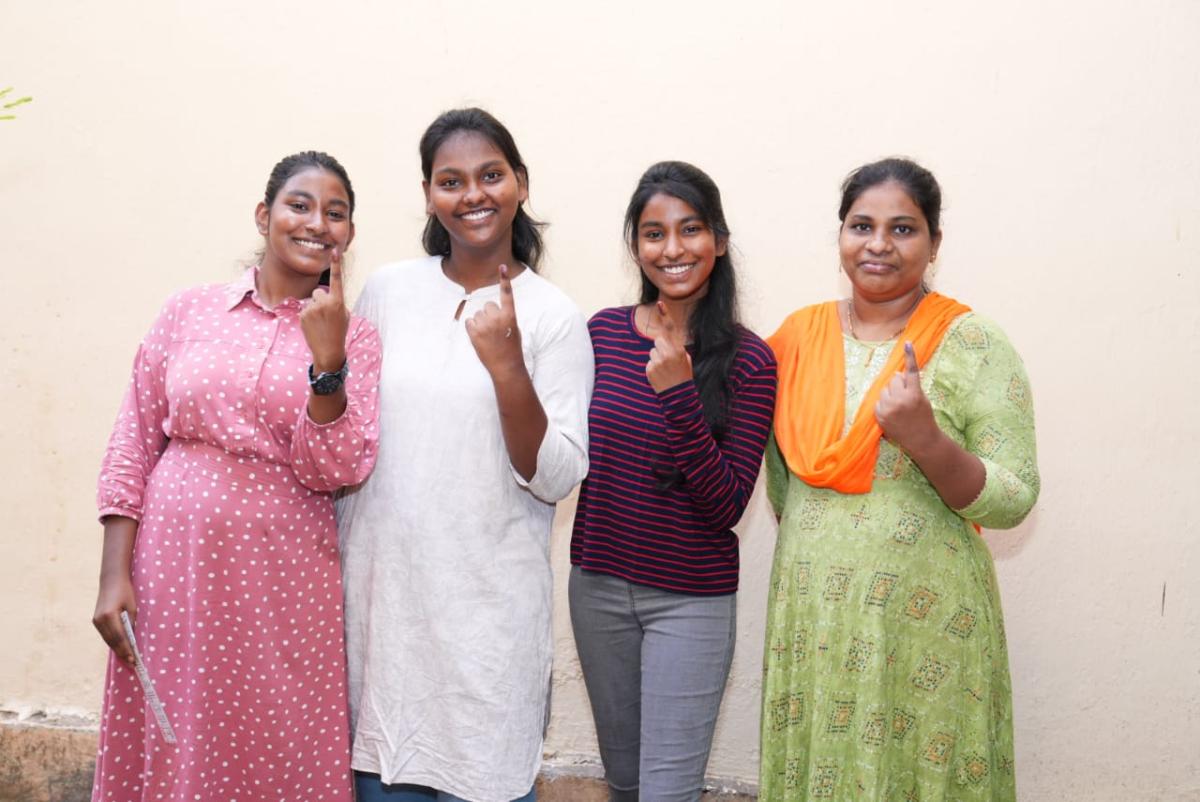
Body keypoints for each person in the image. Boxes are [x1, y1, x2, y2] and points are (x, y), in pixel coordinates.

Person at [90, 151, 381, 802]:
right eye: (299, 205)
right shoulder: (188, 311)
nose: (317, 223)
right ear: (265, 215)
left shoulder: (355, 339)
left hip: (285, 582)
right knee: (174, 736)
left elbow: (334, 467)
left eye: (336, 213)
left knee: (276, 736)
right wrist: (115, 573)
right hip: (172, 572)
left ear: (350, 236)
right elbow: (135, 437)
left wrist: (326, 361)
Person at [759, 158, 1039, 801]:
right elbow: (784, 484)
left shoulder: (973, 342)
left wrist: (925, 438)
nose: (879, 243)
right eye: (862, 225)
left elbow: (1014, 497)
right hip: (816, 623)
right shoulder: (794, 340)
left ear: (935, 244)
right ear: (840, 238)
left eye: (903, 229)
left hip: (927, 628)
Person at [336, 108, 594, 802]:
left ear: (520, 185)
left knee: (484, 776)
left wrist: (508, 366)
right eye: (451, 180)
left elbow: (557, 476)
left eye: (490, 175)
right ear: (428, 194)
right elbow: (345, 435)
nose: (473, 194)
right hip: (386, 619)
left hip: (486, 622)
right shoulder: (388, 291)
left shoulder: (552, 315)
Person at [569, 161, 778, 801]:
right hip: (597, 588)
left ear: (717, 239)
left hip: (690, 600)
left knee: (668, 792)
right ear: (636, 246)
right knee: (627, 784)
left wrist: (680, 392)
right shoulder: (602, 333)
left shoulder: (750, 358)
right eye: (654, 233)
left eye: (690, 229)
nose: (674, 249)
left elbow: (727, 506)